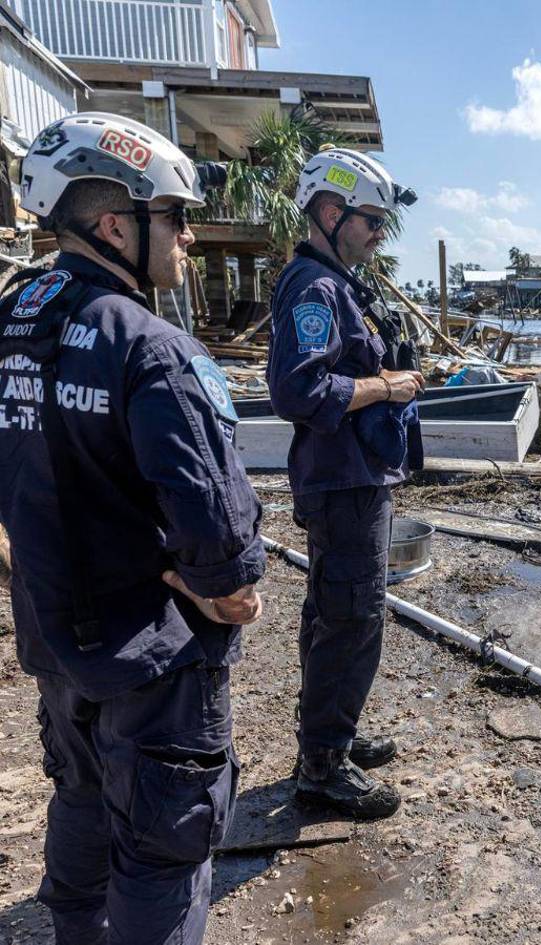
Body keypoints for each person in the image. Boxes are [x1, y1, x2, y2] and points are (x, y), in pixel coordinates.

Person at [0, 112, 265, 944]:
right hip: (151, 662)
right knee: (163, 856)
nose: (187, 236)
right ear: (115, 225)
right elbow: (218, 527)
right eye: (175, 216)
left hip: (56, 642)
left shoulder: (9, 322)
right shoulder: (151, 348)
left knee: (79, 797)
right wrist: (228, 587)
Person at [267, 147, 421, 819]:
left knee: (339, 614)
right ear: (331, 213)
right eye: (371, 222)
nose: (379, 235)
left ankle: (334, 732)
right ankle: (323, 765)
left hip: (357, 479)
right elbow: (298, 389)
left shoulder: (335, 282)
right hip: (343, 483)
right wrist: (387, 384)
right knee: (351, 618)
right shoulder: (316, 289)